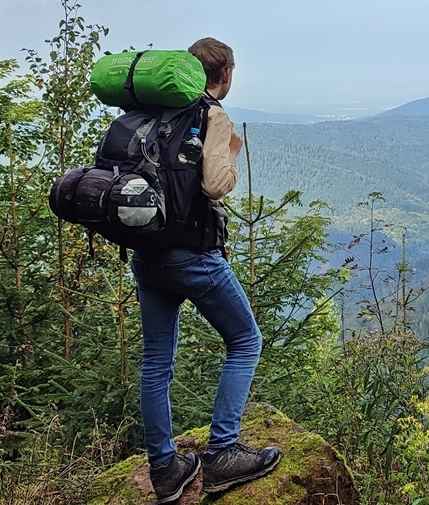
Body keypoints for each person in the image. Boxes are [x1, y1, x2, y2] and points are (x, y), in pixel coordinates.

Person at [131, 37, 281, 503]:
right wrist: (232, 151)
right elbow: (215, 186)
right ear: (225, 75)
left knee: (156, 361)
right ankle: (223, 453)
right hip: (193, 255)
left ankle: (164, 469)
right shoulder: (211, 114)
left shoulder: (155, 110)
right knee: (245, 340)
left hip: (147, 254)